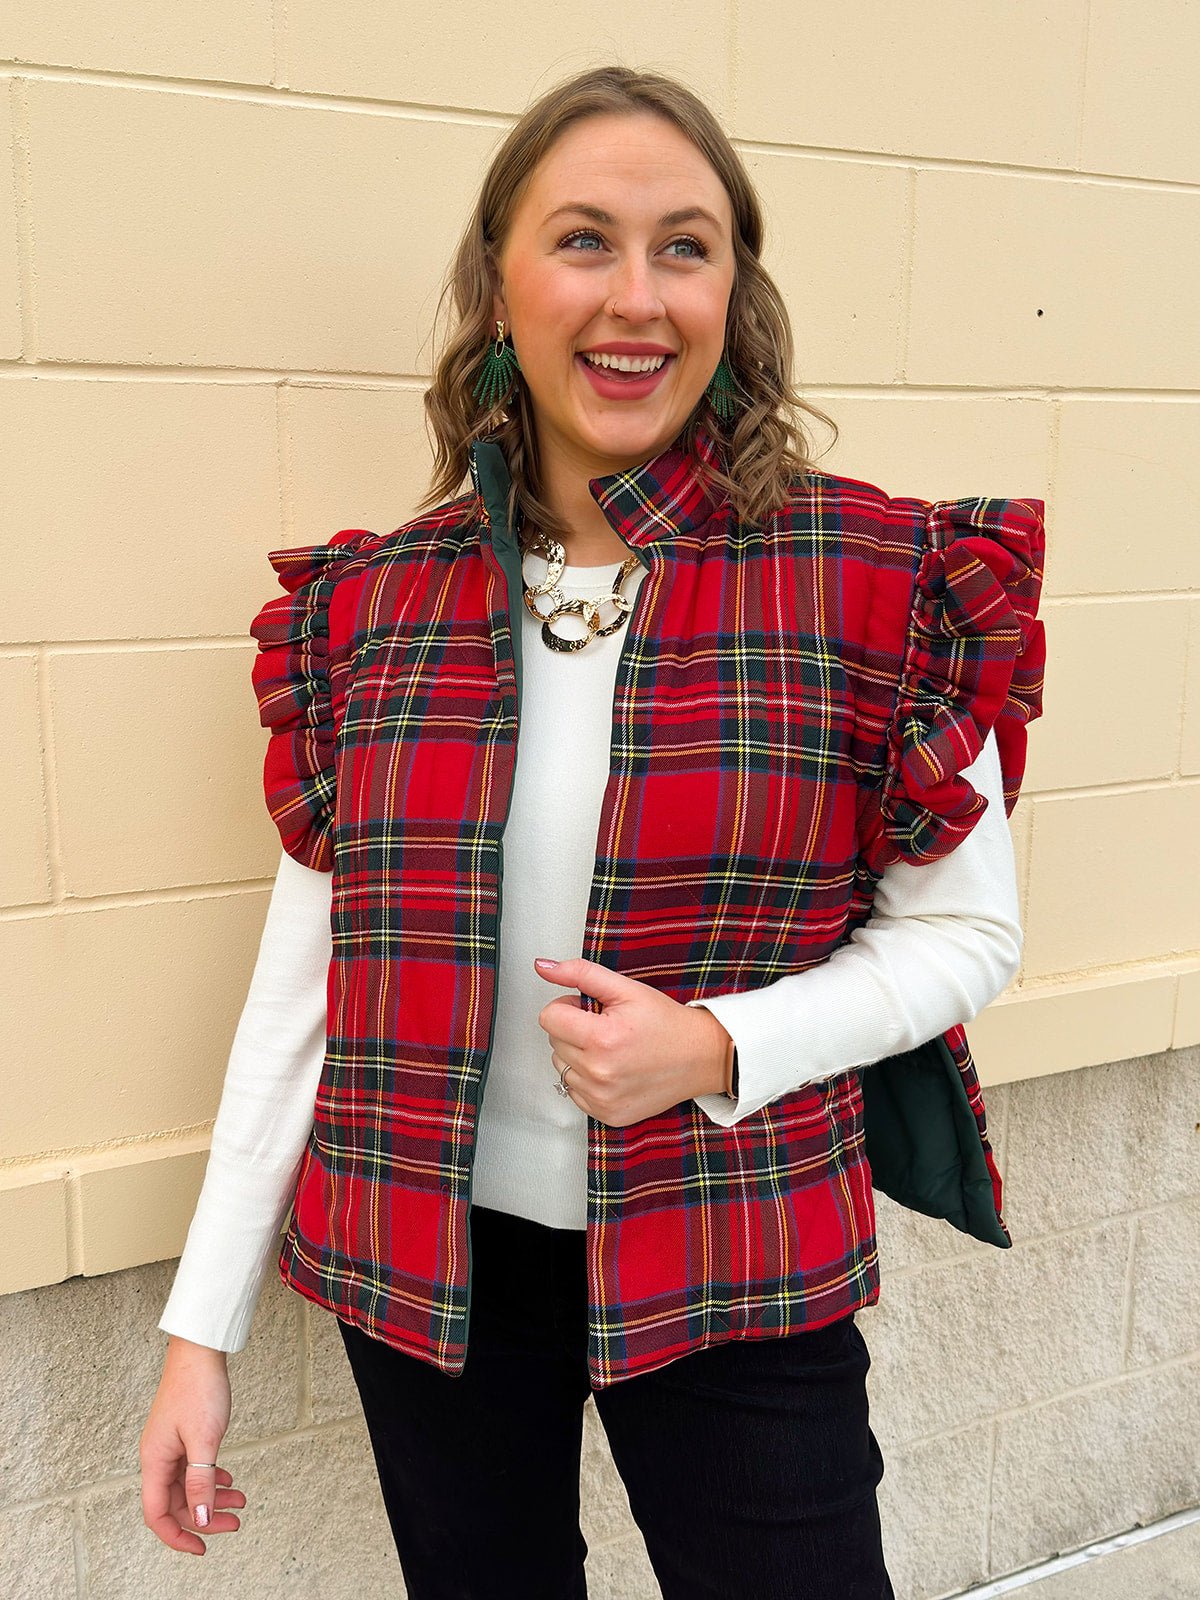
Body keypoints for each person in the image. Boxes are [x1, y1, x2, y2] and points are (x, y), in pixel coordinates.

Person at [139, 64, 1045, 1599]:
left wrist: (720, 1045)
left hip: (736, 1248)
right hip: (432, 1275)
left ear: (733, 289)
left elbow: (968, 935)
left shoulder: (868, 580)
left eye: (684, 246)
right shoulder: (376, 610)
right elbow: (309, 985)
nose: (637, 297)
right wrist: (197, 1332)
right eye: (584, 240)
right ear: (499, 280)